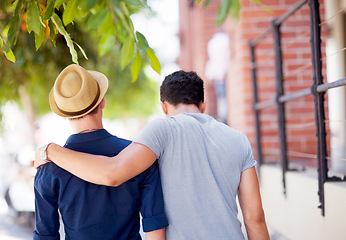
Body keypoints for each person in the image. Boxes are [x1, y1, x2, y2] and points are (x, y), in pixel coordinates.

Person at [35, 70, 270, 240]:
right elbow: (255, 219)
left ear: (164, 107)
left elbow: (113, 172)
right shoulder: (239, 139)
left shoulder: (160, 132)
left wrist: (51, 150)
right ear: (203, 104)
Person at [33, 64, 168, 240]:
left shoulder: (48, 169)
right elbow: (154, 227)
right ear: (102, 101)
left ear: (64, 114)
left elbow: (45, 236)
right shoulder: (138, 156)